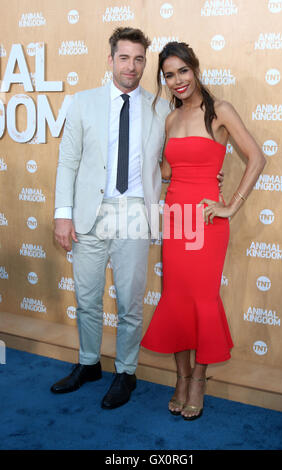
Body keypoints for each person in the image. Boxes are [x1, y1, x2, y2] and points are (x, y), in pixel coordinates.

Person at [51, 28, 224, 410]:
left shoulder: (162, 108)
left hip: (134, 214)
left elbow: (176, 158)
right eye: (125, 58)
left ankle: (126, 371)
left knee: (129, 303)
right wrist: (63, 215)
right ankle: (88, 363)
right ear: (111, 60)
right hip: (88, 215)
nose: (132, 66)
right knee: (87, 298)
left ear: (147, 64)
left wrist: (212, 177)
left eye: (139, 59)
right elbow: (67, 163)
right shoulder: (81, 103)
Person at [141, 42, 266, 420]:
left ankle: (199, 379)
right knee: (176, 298)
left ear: (195, 68)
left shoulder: (220, 110)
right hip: (175, 219)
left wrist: (231, 204)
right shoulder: (169, 118)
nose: (177, 80)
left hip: (208, 222)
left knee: (202, 300)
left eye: (182, 71)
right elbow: (167, 170)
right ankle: (180, 377)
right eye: (168, 75)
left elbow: (257, 157)